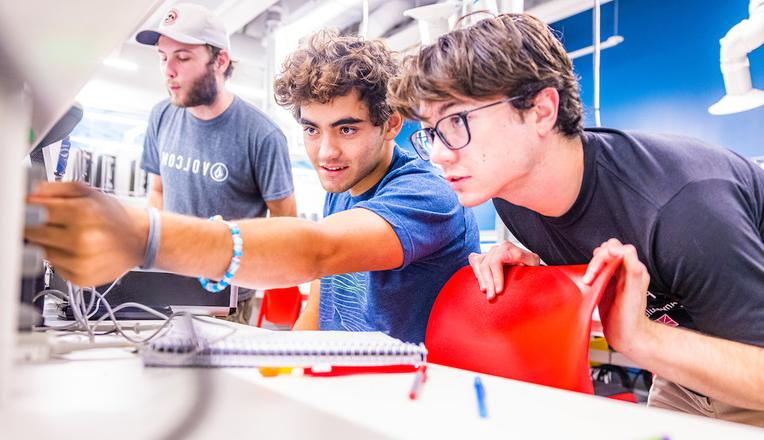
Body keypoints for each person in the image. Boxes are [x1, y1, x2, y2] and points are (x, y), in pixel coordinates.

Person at [388, 13, 764, 425]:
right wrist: (540, 276)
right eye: (430, 132)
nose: (439, 153)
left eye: (456, 122)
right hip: (683, 369)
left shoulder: (683, 207)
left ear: (541, 110)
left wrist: (640, 338)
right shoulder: (515, 198)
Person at [25, 29, 479, 344]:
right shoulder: (344, 185)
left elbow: (318, 251)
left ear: (390, 124)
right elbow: (317, 310)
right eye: (312, 129)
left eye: (346, 129)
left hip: (400, 400)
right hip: (345, 383)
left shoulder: (426, 195)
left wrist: (145, 237)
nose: (325, 153)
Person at [135, 3, 296, 324]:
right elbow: (157, 190)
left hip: (227, 299)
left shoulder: (262, 135)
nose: (169, 70)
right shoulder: (162, 116)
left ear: (220, 61)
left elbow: (285, 223)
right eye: (163, 57)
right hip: (166, 287)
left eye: (182, 57)